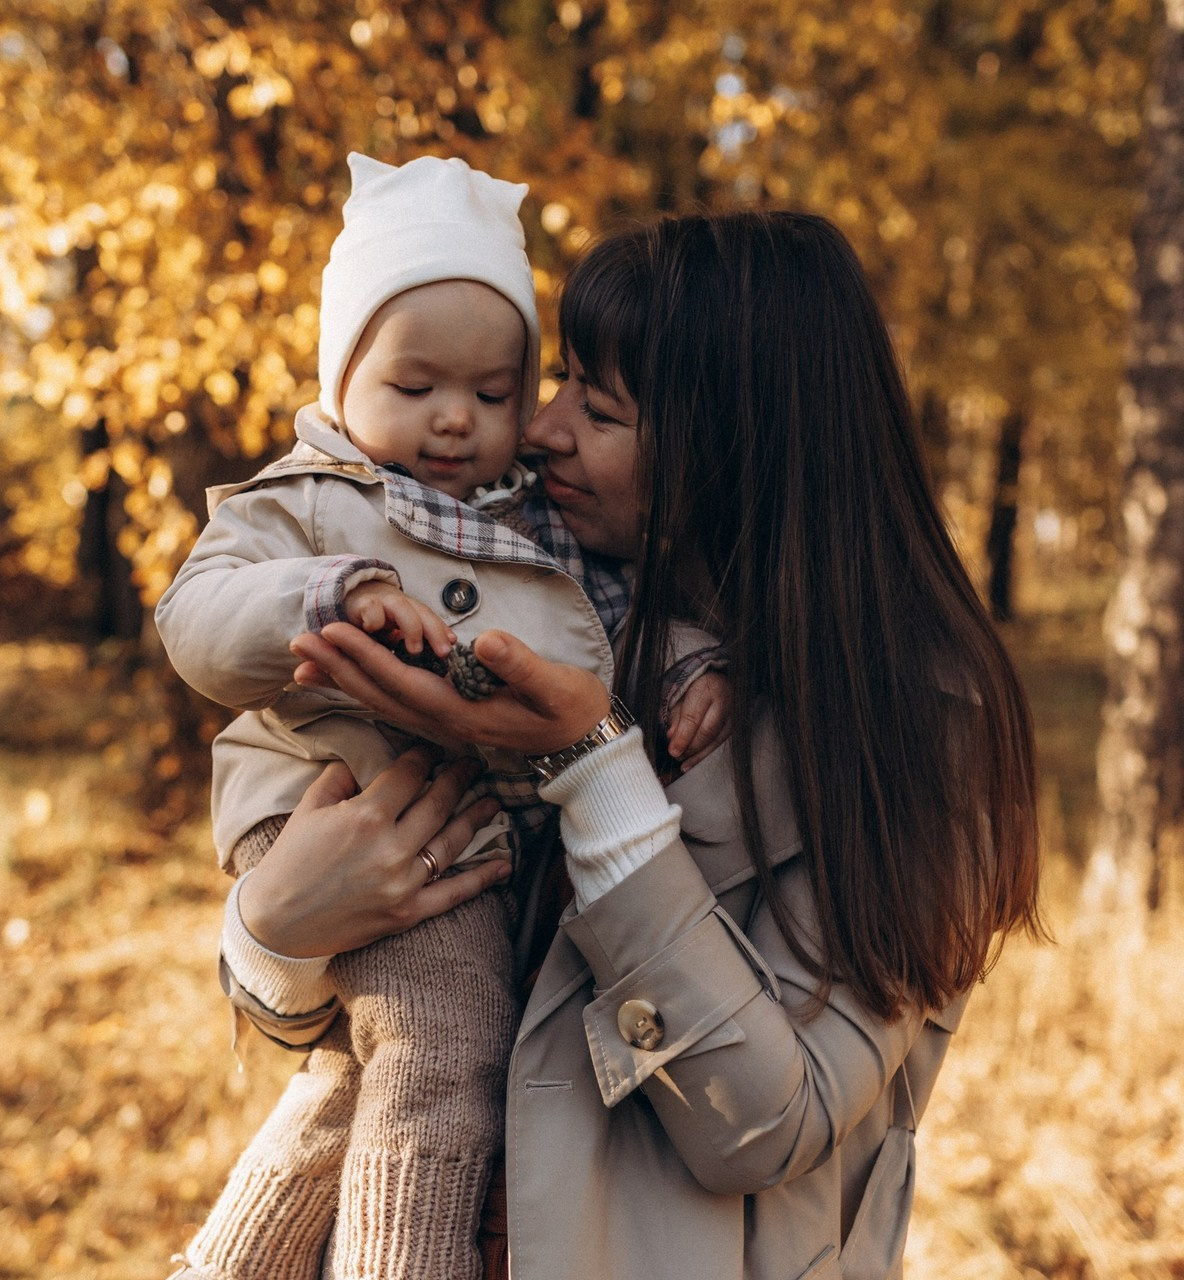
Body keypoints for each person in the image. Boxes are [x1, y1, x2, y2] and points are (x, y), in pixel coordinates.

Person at [214, 208, 1044, 1280]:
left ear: (735, 447)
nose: (543, 427)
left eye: (598, 408)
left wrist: (594, 769)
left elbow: (765, 1122)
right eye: (555, 382)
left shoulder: (922, 727)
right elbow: (396, 1015)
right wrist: (272, 932)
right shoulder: (573, 617)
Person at [156, 154, 727, 1280]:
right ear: (342, 375)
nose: (457, 421)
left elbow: (612, 621)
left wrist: (692, 668)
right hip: (337, 810)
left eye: (494, 391)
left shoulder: (541, 517)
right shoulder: (308, 503)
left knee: (371, 1071)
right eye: (415, 388)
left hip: (469, 844)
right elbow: (196, 621)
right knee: (442, 1044)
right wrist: (323, 596)